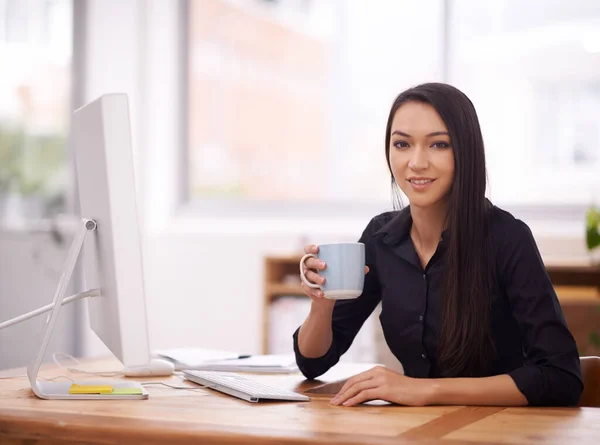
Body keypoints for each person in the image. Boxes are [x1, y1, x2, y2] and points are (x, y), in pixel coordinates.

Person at [293, 82, 582, 407]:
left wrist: (423, 390)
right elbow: (313, 363)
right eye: (402, 144)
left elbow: (561, 377)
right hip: (419, 431)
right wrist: (322, 303)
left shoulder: (507, 238)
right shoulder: (381, 237)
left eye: (438, 145)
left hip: (498, 431)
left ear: (465, 151)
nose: (416, 162)